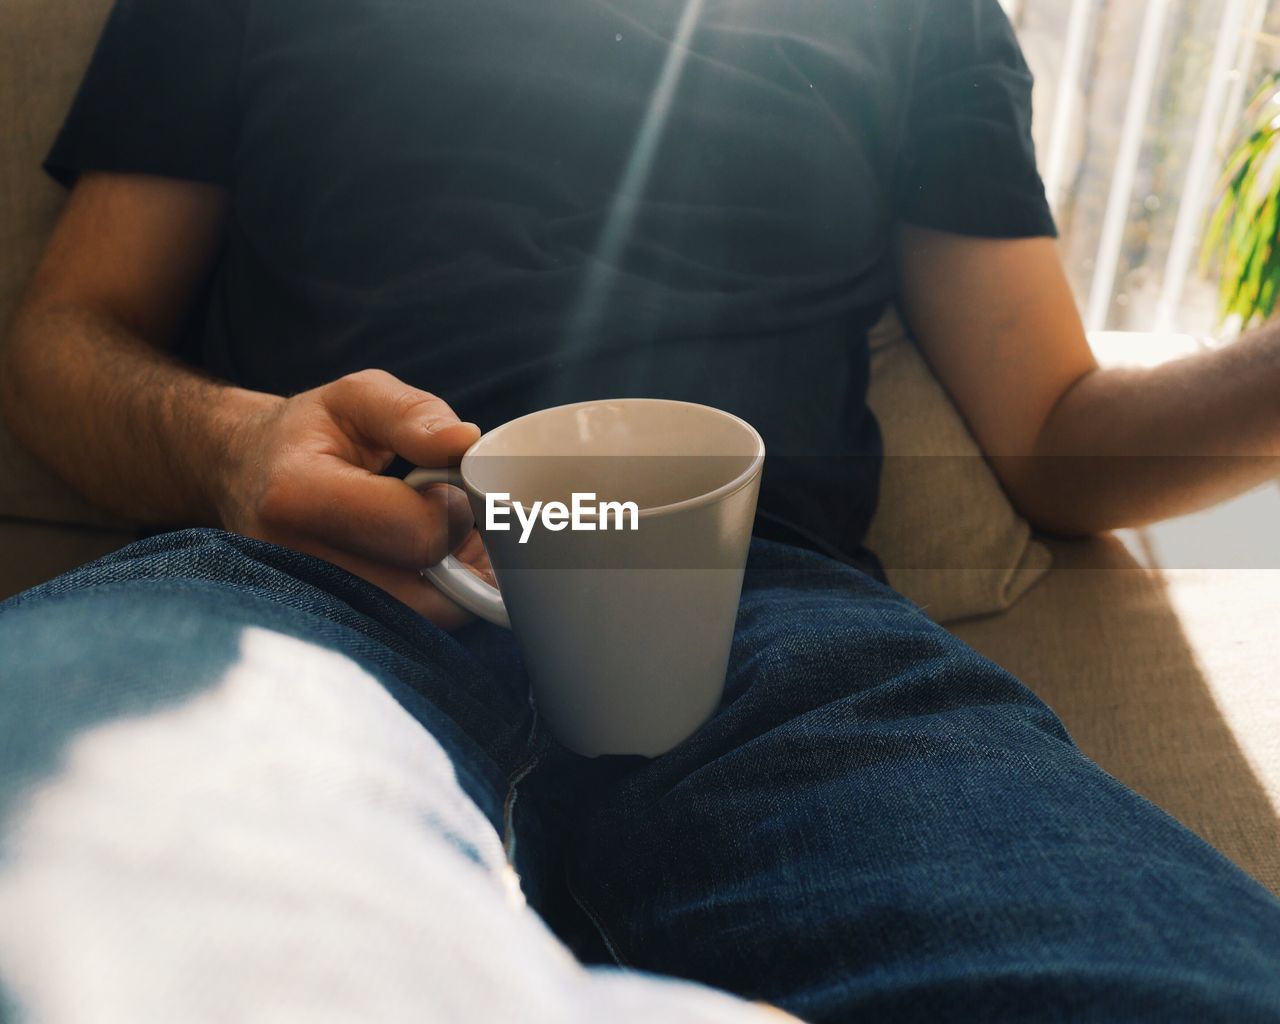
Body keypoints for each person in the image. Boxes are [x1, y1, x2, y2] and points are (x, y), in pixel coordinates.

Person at [1, 0, 1278, 1020]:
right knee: (63, 877)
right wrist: (232, 444)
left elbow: (1053, 435)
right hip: (309, 575)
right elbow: (61, 338)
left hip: (756, 616)